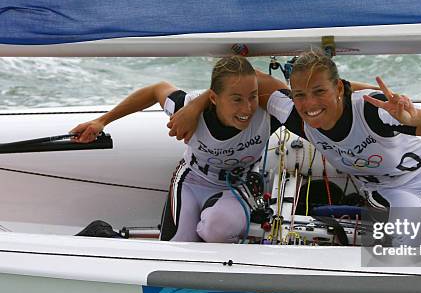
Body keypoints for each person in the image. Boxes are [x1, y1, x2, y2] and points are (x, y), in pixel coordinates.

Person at [176, 50, 421, 248]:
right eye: (301, 94)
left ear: (340, 89)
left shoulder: (377, 111)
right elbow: (253, 78)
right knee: (418, 238)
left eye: (320, 92)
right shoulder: (297, 115)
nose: (310, 104)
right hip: (390, 190)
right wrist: (194, 106)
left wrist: (413, 114)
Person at [70, 56, 286, 242]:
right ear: (213, 98)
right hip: (192, 181)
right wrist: (102, 121)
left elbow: (291, 97)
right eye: (236, 99)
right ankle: (104, 234)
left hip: (238, 185)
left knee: (217, 230)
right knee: (179, 243)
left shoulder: (268, 114)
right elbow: (156, 90)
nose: (247, 108)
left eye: (253, 97)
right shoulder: (187, 110)